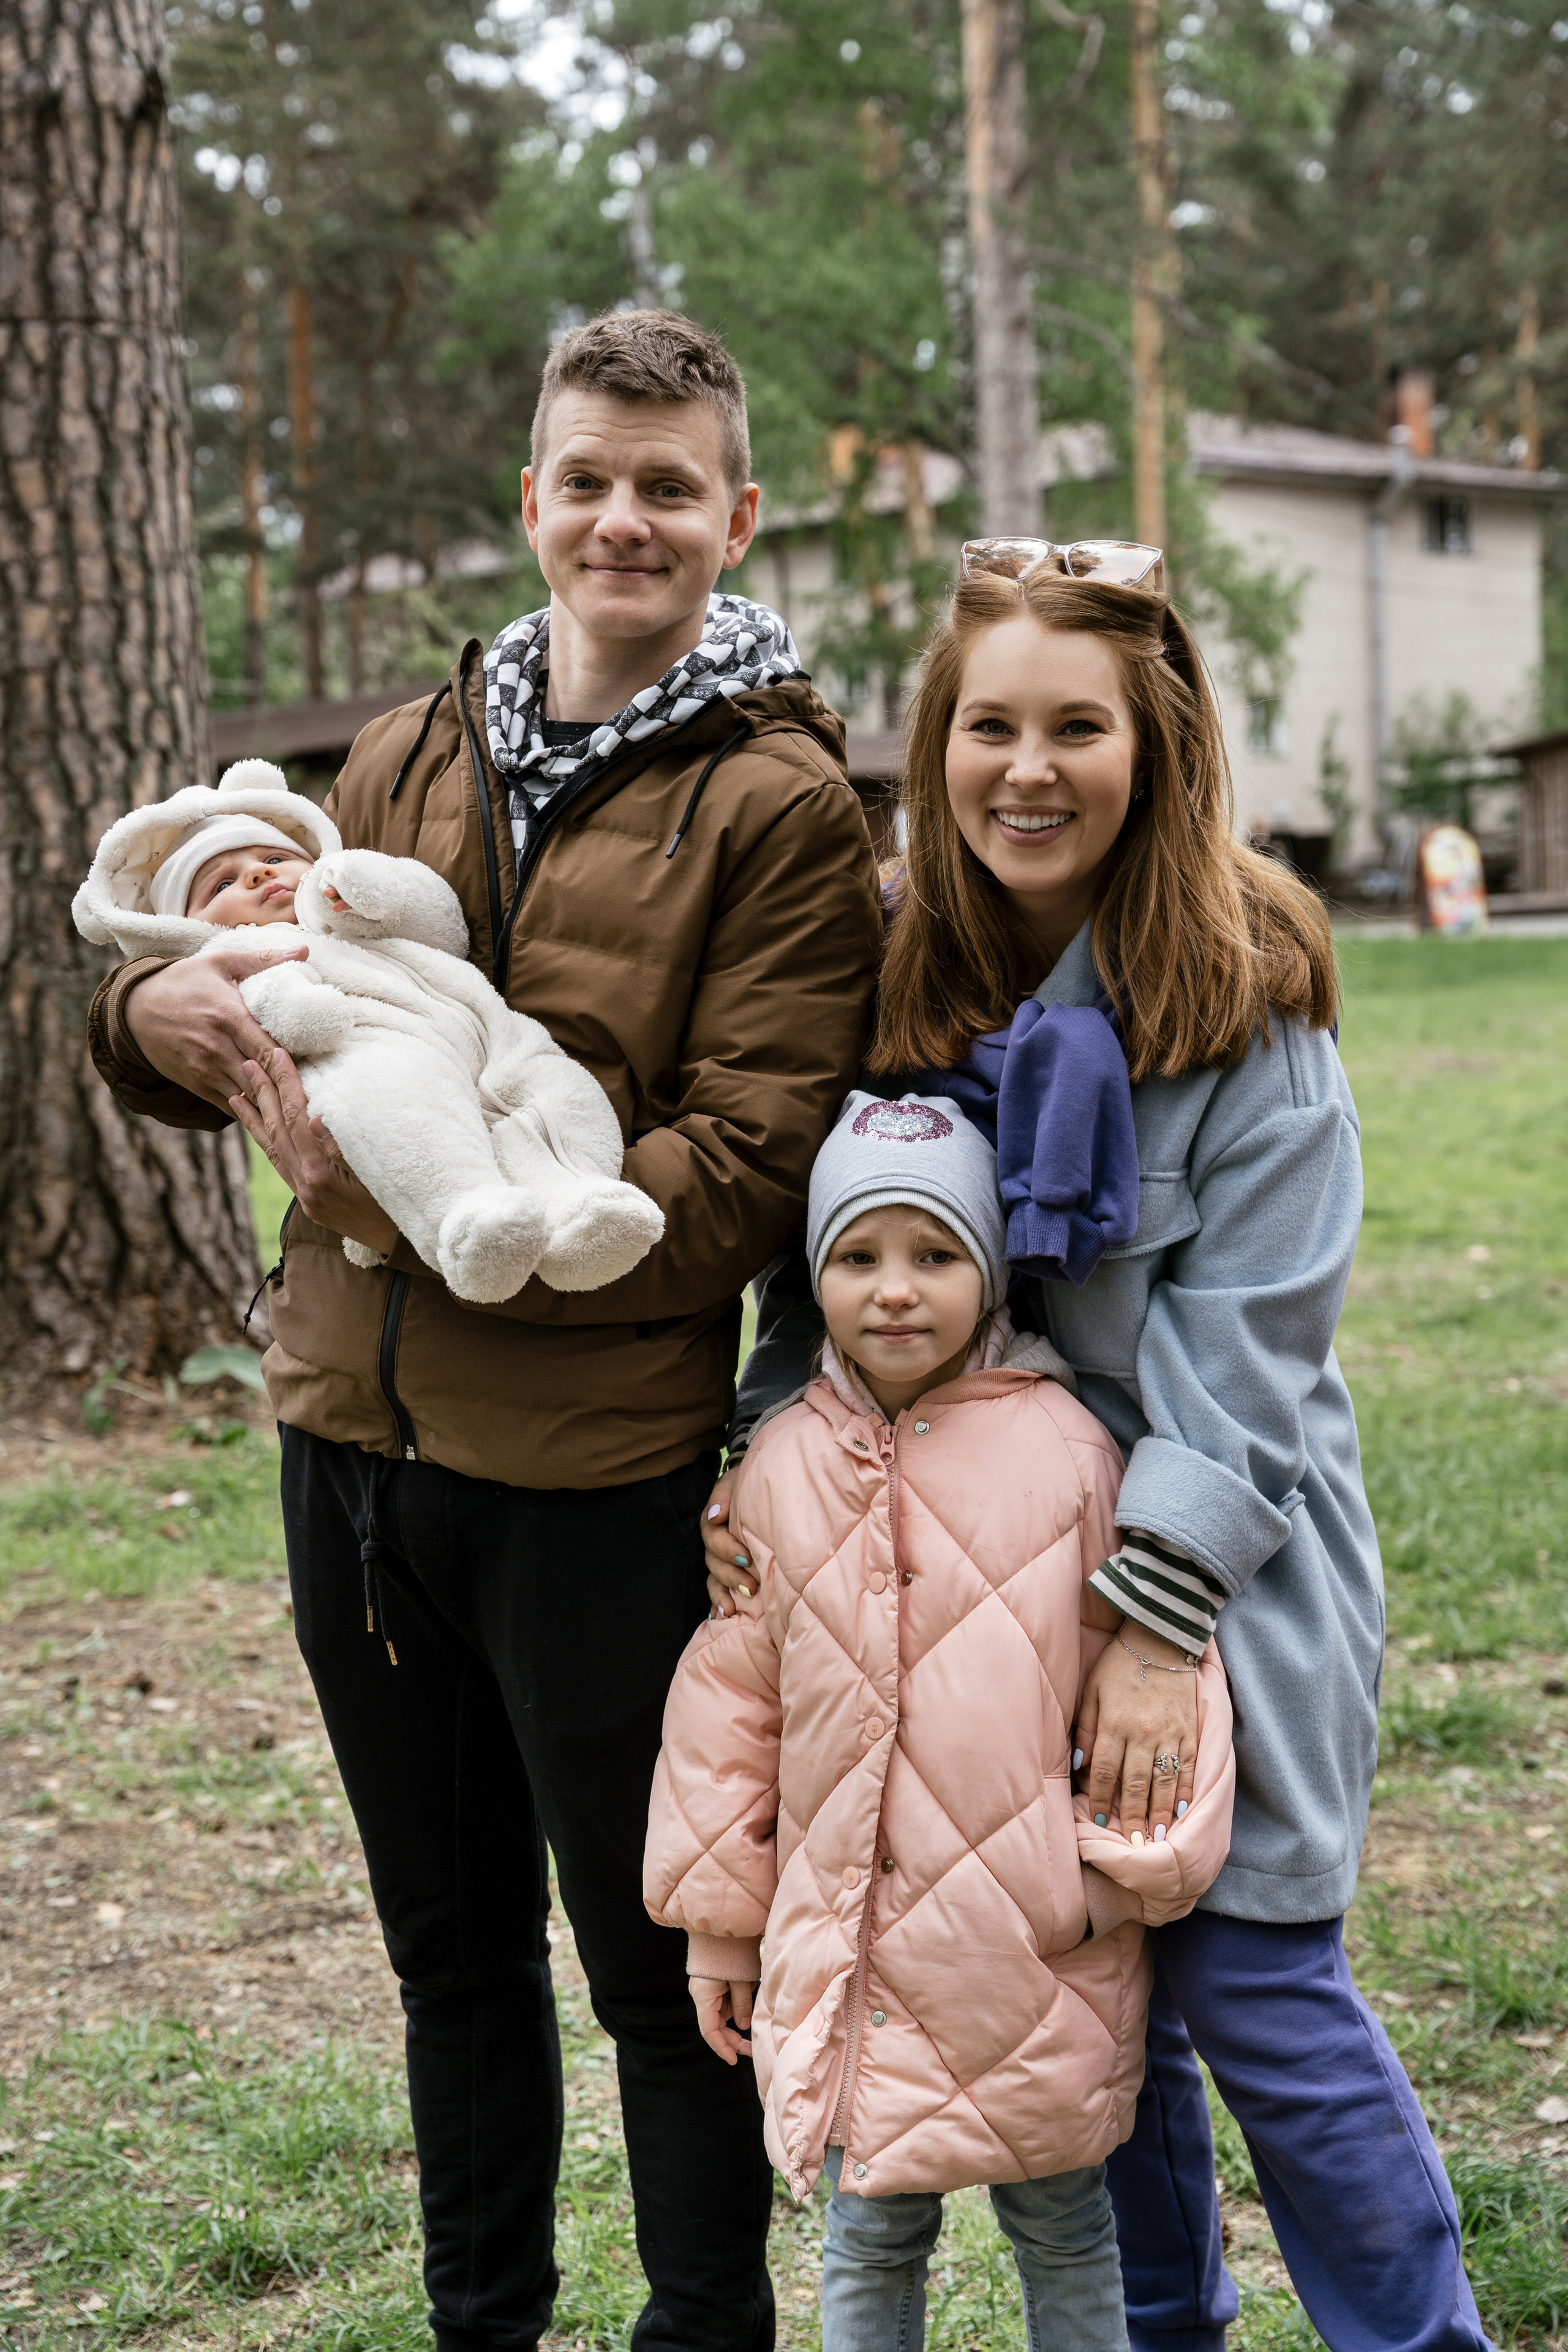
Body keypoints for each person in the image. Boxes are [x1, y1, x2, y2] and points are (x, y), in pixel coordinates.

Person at [86, 308, 884, 2352]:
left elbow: (749, 1162)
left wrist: (446, 1235)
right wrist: (142, 1022)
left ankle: (704, 2328)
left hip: (592, 1481)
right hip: (347, 1449)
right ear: (532, 501)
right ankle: (482, 2327)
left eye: (668, 488)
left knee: (651, 1961)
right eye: (589, 481)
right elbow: (260, 982)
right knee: (449, 1958)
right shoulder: (408, 752)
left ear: (735, 516)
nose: (625, 520)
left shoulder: (785, 809)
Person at [705, 540, 1494, 2352]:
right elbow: (820, 1270)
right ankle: (1161, 2329)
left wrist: (1155, 1623)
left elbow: (1249, 1354)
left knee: (1253, 1982)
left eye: (1081, 726)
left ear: (1163, 746)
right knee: (1089, 2013)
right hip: (983, 1598)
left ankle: (1413, 2330)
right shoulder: (906, 986)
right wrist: (765, 1458)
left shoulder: (1246, 1003)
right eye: (990, 724)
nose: (1028, 767)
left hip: (1214, 1577)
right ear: (937, 742)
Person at [647, 1092, 1234, 2352]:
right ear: (814, 1275)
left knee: (1066, 2225)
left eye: (935, 1255)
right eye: (857, 1258)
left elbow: (1158, 1694)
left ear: (990, 1269)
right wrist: (719, 1928)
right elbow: (727, 1707)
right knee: (868, 2234)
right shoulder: (777, 1466)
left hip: (1031, 1953)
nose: (894, 1291)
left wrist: (1116, 1888)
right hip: (847, 1950)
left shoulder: (1073, 1456)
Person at [74, 759, 665, 1304]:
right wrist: (293, 1013)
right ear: (187, 930)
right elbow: (280, 1008)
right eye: (222, 886)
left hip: (490, 1033)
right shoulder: (246, 954)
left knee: (557, 1088)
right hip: (371, 1058)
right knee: (413, 1115)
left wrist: (368, 892)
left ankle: (577, 1206)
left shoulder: (351, 914)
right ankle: (469, 1216)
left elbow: (442, 925)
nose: (257, 874)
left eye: (274, 860)